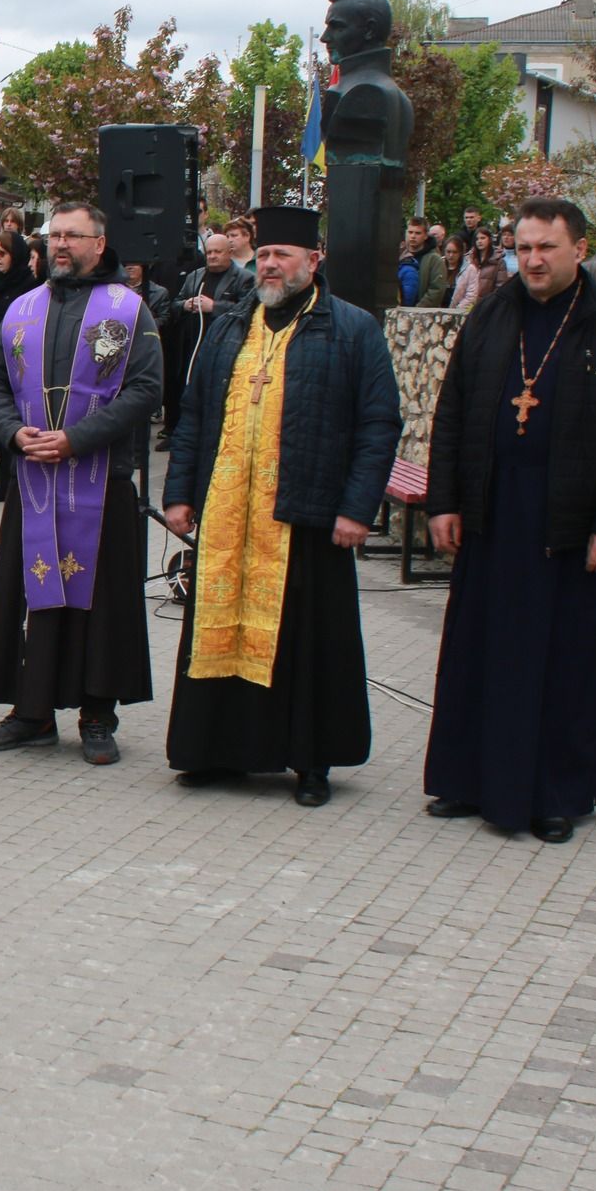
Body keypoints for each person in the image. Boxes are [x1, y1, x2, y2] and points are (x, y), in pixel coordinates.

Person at [422, 198, 596, 843]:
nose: (532, 260)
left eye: (545, 248)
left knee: (561, 661)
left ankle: (556, 792)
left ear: (578, 249)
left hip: (568, 522)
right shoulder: (492, 312)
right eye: (523, 248)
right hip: (493, 511)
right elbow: (452, 412)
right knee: (481, 651)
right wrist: (444, 501)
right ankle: (468, 779)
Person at [163, 206, 401, 805]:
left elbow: (378, 424)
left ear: (313, 261)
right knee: (219, 629)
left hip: (306, 515)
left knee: (306, 641)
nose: (270, 265)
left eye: (282, 256)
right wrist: (179, 493)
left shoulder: (353, 328)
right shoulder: (230, 325)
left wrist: (357, 508)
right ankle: (217, 751)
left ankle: (310, 760)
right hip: (227, 512)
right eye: (264, 254)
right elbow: (193, 413)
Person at [0, 202, 163, 765]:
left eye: (73, 236)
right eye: (54, 235)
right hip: (33, 479)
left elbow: (146, 389)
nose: (59, 245)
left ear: (99, 244)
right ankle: (31, 713)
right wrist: (11, 431)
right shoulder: (23, 308)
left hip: (101, 481)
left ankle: (97, 716)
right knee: (32, 596)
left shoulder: (127, 309)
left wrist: (78, 439)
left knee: (99, 606)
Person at [167, 234, 256, 447]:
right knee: (185, 390)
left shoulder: (244, 278)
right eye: (209, 252)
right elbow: (175, 304)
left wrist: (214, 307)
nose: (212, 256)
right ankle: (177, 436)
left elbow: (248, 310)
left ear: (229, 253)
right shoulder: (195, 276)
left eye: (218, 252)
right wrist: (185, 305)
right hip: (190, 345)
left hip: (221, 345)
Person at [0, 230, 43, 501]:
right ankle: (0, 482)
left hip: (20, 362)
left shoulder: (29, 285)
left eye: (3, 253)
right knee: (3, 423)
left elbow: (20, 323)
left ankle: (9, 484)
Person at [399, 218, 448, 307]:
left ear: (425, 236)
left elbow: (436, 290)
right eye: (410, 232)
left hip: (422, 311)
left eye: (418, 233)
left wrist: (417, 309)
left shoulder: (435, 260)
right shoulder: (400, 256)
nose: (413, 236)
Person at [445, 234, 478, 309]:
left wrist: (454, 311)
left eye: (454, 252)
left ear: (460, 253)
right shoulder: (439, 266)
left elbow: (471, 296)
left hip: (458, 311)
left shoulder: (470, 269)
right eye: (448, 252)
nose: (451, 255)